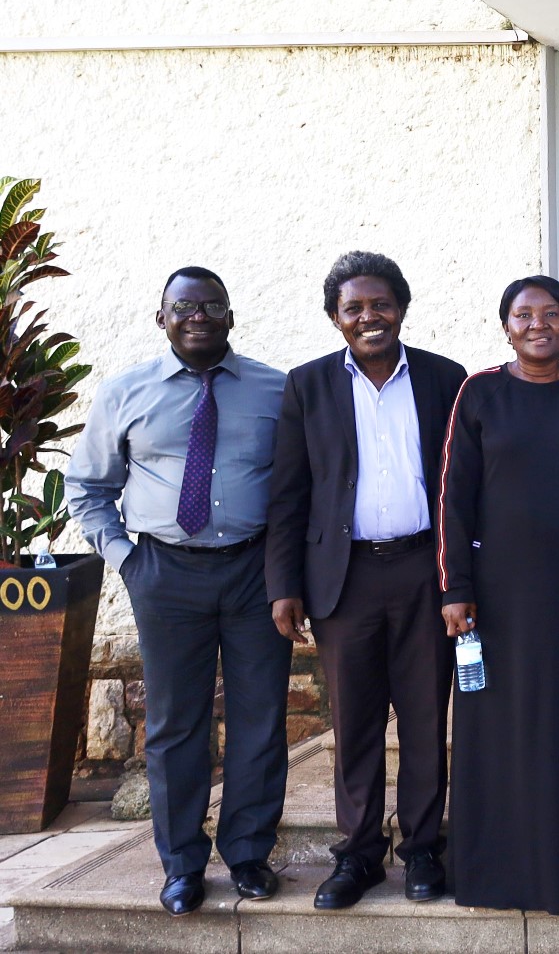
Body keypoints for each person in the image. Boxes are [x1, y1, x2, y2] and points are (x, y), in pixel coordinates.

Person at [65, 268, 288, 917]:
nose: (198, 316)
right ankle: (182, 863)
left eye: (210, 306)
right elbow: (89, 487)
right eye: (183, 307)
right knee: (173, 726)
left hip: (254, 573)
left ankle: (248, 854)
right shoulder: (125, 392)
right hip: (164, 572)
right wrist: (127, 561)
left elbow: (300, 484)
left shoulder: (277, 390)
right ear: (160, 318)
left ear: (230, 316)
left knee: (259, 719)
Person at [265, 251, 466, 909]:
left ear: (401, 308)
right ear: (335, 318)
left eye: (380, 304)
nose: (369, 317)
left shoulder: (444, 379)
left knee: (423, 715)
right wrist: (283, 585)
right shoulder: (308, 386)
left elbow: (462, 488)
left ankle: (423, 852)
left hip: (423, 571)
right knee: (353, 724)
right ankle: (357, 857)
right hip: (343, 578)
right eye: (354, 308)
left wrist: (461, 578)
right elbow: (289, 493)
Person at [437, 276, 559, 914]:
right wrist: (455, 587)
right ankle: (494, 875)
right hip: (498, 595)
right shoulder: (480, 392)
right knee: (499, 730)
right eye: (523, 314)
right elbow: (454, 499)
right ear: (505, 325)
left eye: (550, 314)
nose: (537, 324)